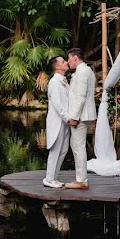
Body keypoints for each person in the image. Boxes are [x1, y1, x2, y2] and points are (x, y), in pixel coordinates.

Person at [65, 47, 97, 190]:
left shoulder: (83, 72)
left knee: (78, 147)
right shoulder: (87, 71)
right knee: (77, 146)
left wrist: (74, 117)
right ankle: (80, 178)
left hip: (81, 116)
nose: (68, 62)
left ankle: (81, 180)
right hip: (84, 114)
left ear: (75, 58)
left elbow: (81, 96)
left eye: (69, 59)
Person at [44, 55, 72, 188]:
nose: (66, 62)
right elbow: (57, 104)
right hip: (58, 120)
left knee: (64, 150)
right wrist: (68, 118)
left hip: (65, 121)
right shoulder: (54, 82)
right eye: (63, 61)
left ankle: (54, 178)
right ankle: (49, 179)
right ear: (57, 67)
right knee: (55, 150)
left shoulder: (64, 81)